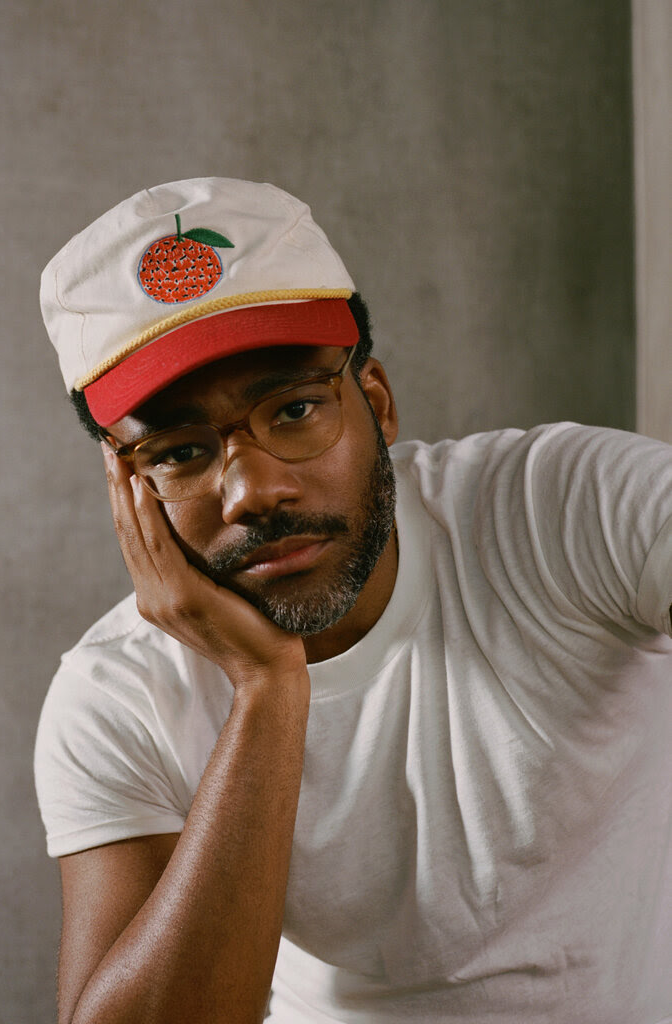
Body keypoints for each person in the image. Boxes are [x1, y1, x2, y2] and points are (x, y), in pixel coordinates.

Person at [34, 177, 672, 1024]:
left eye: (294, 408)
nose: (251, 491)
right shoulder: (117, 690)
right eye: (182, 450)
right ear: (127, 487)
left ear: (373, 401)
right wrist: (266, 690)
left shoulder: (558, 507)